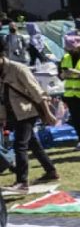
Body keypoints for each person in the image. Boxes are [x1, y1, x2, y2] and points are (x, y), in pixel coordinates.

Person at [0, 50, 58, 192]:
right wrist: (2, 116)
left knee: (20, 145)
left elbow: (37, 91)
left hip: (27, 111)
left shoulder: (18, 68)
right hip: (13, 113)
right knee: (33, 143)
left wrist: (48, 113)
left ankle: (22, 182)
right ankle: (50, 171)